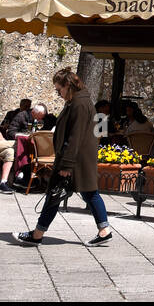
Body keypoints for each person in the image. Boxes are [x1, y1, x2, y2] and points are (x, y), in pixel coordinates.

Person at [18, 68, 112, 246]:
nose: (58, 93)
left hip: (75, 159)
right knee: (88, 193)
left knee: (55, 194)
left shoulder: (79, 104)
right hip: (79, 157)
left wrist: (66, 165)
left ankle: (37, 234)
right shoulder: (77, 101)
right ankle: (104, 229)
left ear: (68, 85)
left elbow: (75, 136)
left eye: (59, 89)